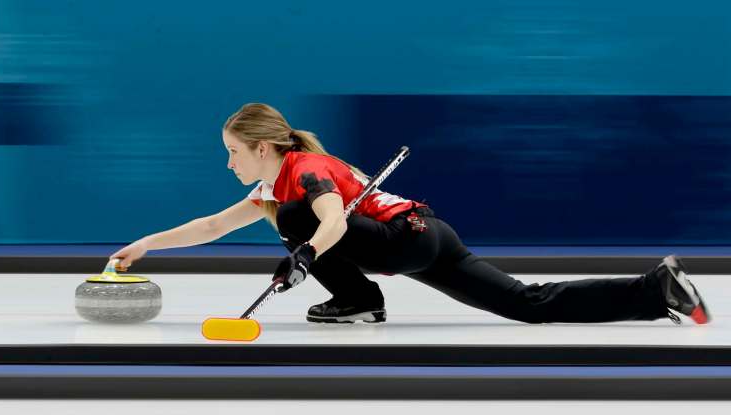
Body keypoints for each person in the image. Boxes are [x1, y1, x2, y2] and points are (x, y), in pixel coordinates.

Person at [110, 103, 711, 325]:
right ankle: (654, 290)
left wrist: (305, 258)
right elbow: (211, 227)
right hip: (427, 237)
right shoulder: (275, 186)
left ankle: (358, 301)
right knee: (526, 305)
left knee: (298, 224)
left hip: (404, 238)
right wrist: (145, 244)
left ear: (263, 148)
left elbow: (332, 223)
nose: (230, 164)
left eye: (233, 153)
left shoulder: (307, 174)